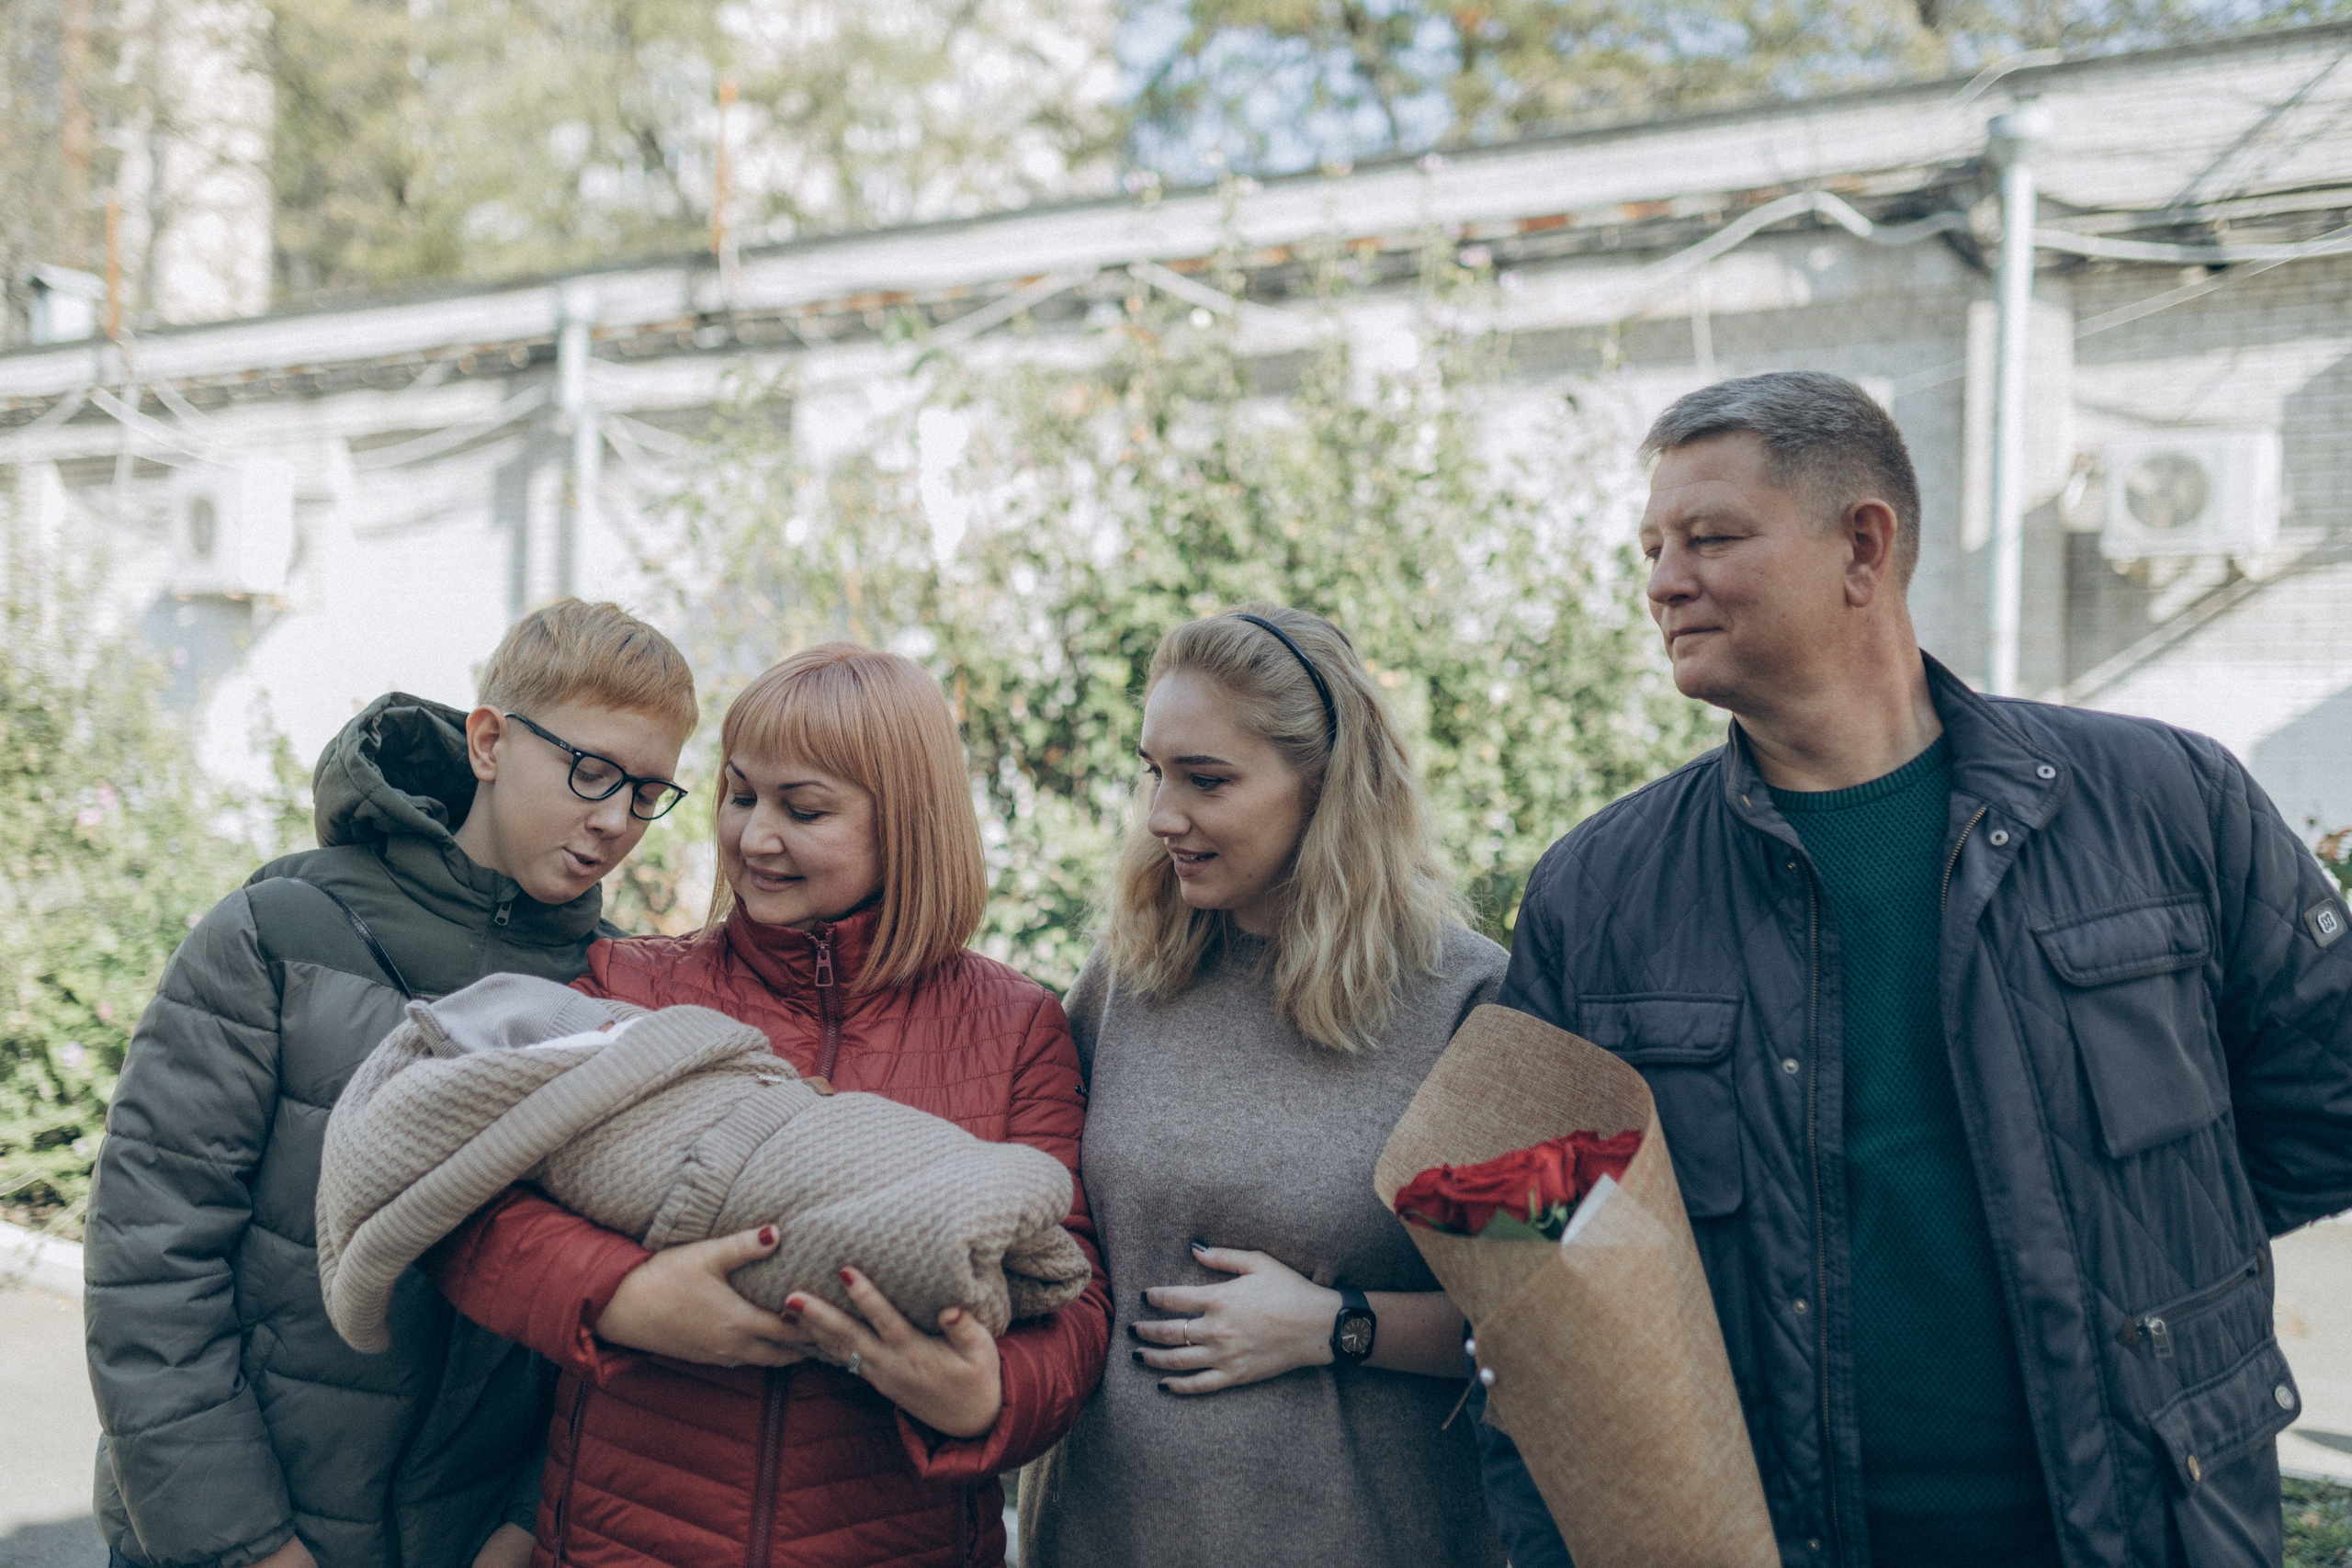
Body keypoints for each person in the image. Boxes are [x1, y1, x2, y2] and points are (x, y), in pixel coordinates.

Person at [1489, 370, 2352, 1567]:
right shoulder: (1596, 891)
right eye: (1651, 549)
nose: (1663, 581)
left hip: (2147, 1526)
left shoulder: (2168, 800)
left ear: (1863, 545)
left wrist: (2128, 1234)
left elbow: (2327, 1102)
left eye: (1710, 537)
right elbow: (1528, 1277)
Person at [426, 642, 1111, 1568]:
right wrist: (622, 1297)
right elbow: (474, 1205)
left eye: (804, 808)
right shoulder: (633, 985)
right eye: (741, 795)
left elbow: (1074, 1291)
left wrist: (992, 1395)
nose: (753, 838)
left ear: (906, 820)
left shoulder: (1017, 1026)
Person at [85, 600, 699, 1568]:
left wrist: (525, 1524)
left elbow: (608, 1314)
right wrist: (247, 1547)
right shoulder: (276, 934)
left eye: (649, 792)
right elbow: (150, 1265)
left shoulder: (620, 995)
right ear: (489, 742)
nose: (617, 819)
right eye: (591, 771)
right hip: (225, 1536)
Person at [1019, 604, 1507, 1568]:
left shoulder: (1470, 999)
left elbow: (1544, 1326)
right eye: (1154, 772)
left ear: (1327, 786)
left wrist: (1340, 1325)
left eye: (1207, 780)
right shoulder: (1128, 977)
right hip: (1101, 1537)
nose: (1162, 815)